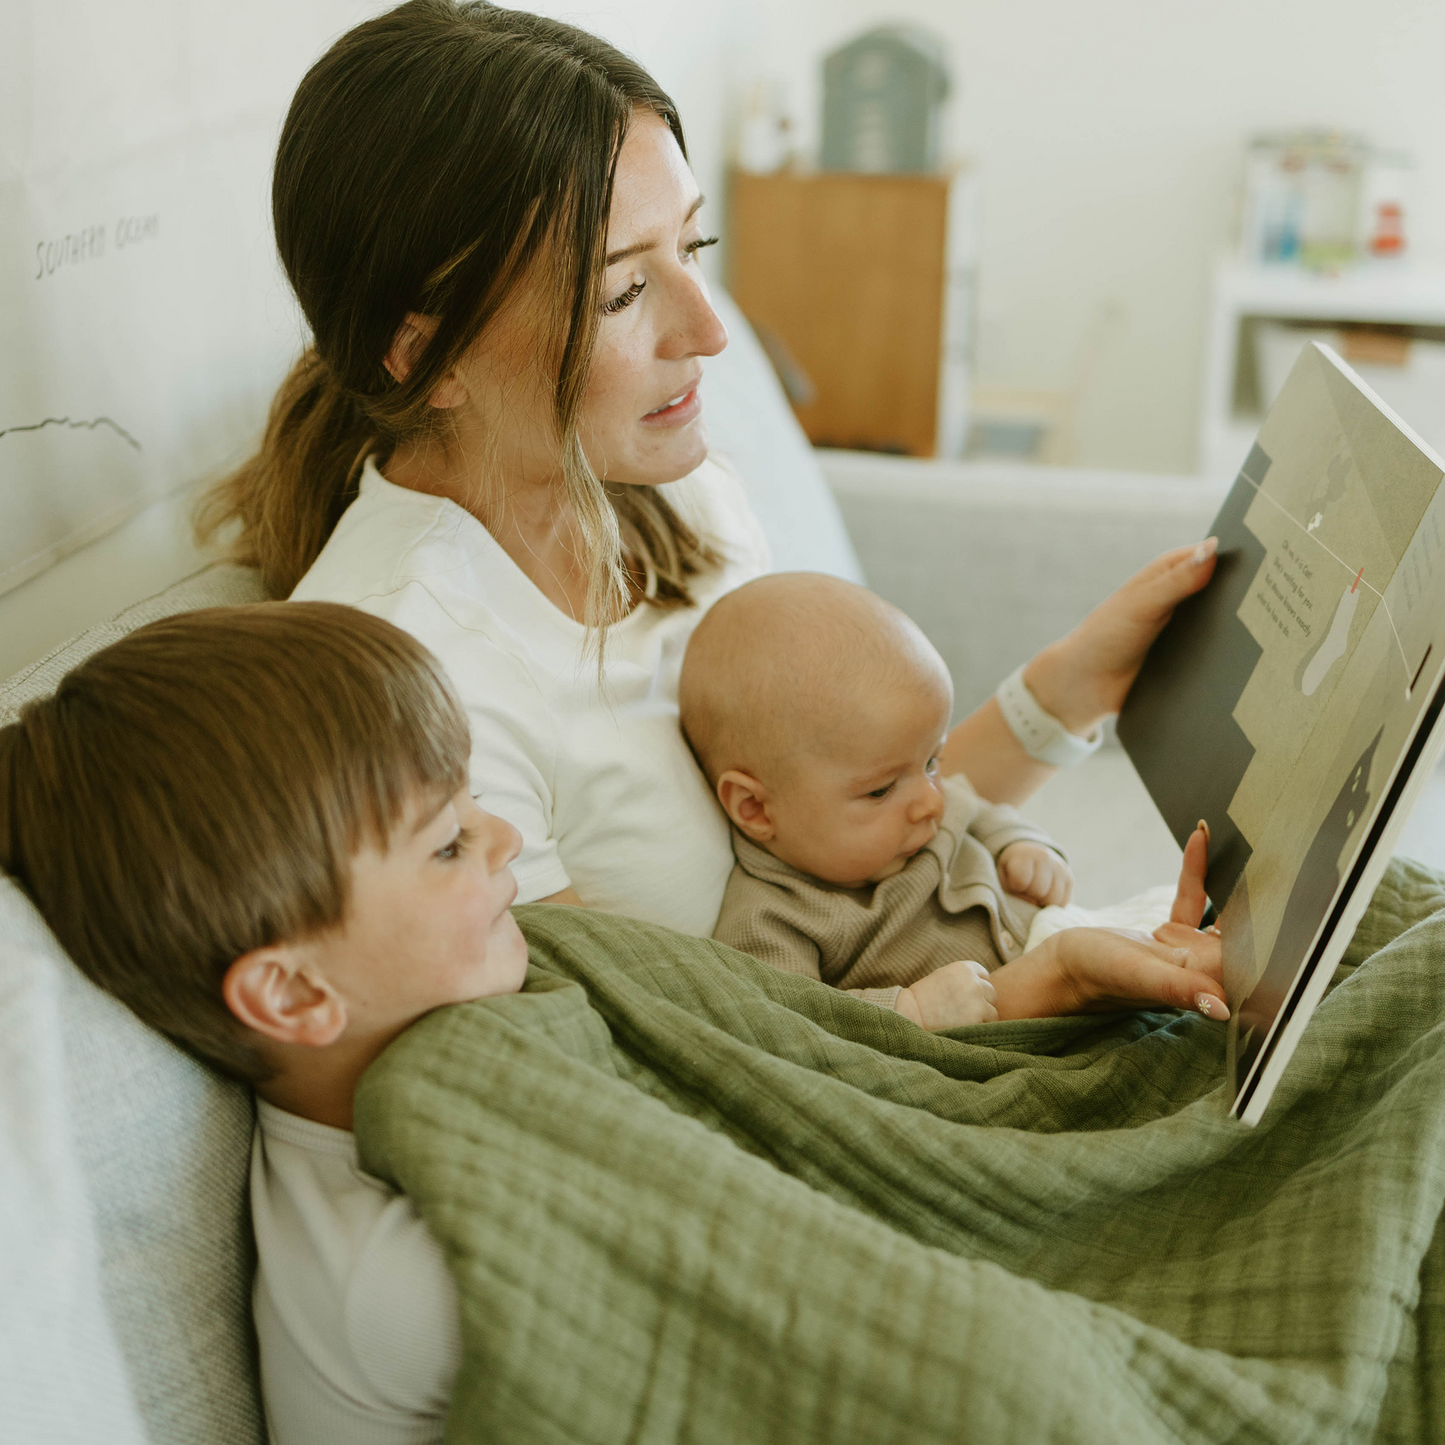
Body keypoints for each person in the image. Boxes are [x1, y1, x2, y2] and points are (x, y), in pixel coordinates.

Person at [0, 603, 1228, 1444]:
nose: (499, 843)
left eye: (469, 805)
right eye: (443, 842)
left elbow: (807, 1064)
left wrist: (1052, 987)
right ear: (291, 993)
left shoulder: (527, 982)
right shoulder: (391, 1271)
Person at [198, 0, 1220, 946]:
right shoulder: (410, 682)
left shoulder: (672, 493)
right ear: (422, 355)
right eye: (623, 290)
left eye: (695, 243)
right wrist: (1009, 1001)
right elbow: (658, 1058)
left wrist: (1077, 684)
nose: (711, 329)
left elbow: (857, 836)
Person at [682, 573, 1224, 1032]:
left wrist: (1022, 845)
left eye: (933, 761)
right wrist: (909, 1010)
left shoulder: (916, 809)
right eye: (879, 790)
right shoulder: (771, 919)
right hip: (1030, 1008)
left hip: (1067, 929)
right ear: (755, 809)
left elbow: (984, 814)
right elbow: (791, 1025)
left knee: (1229, 934)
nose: (930, 802)